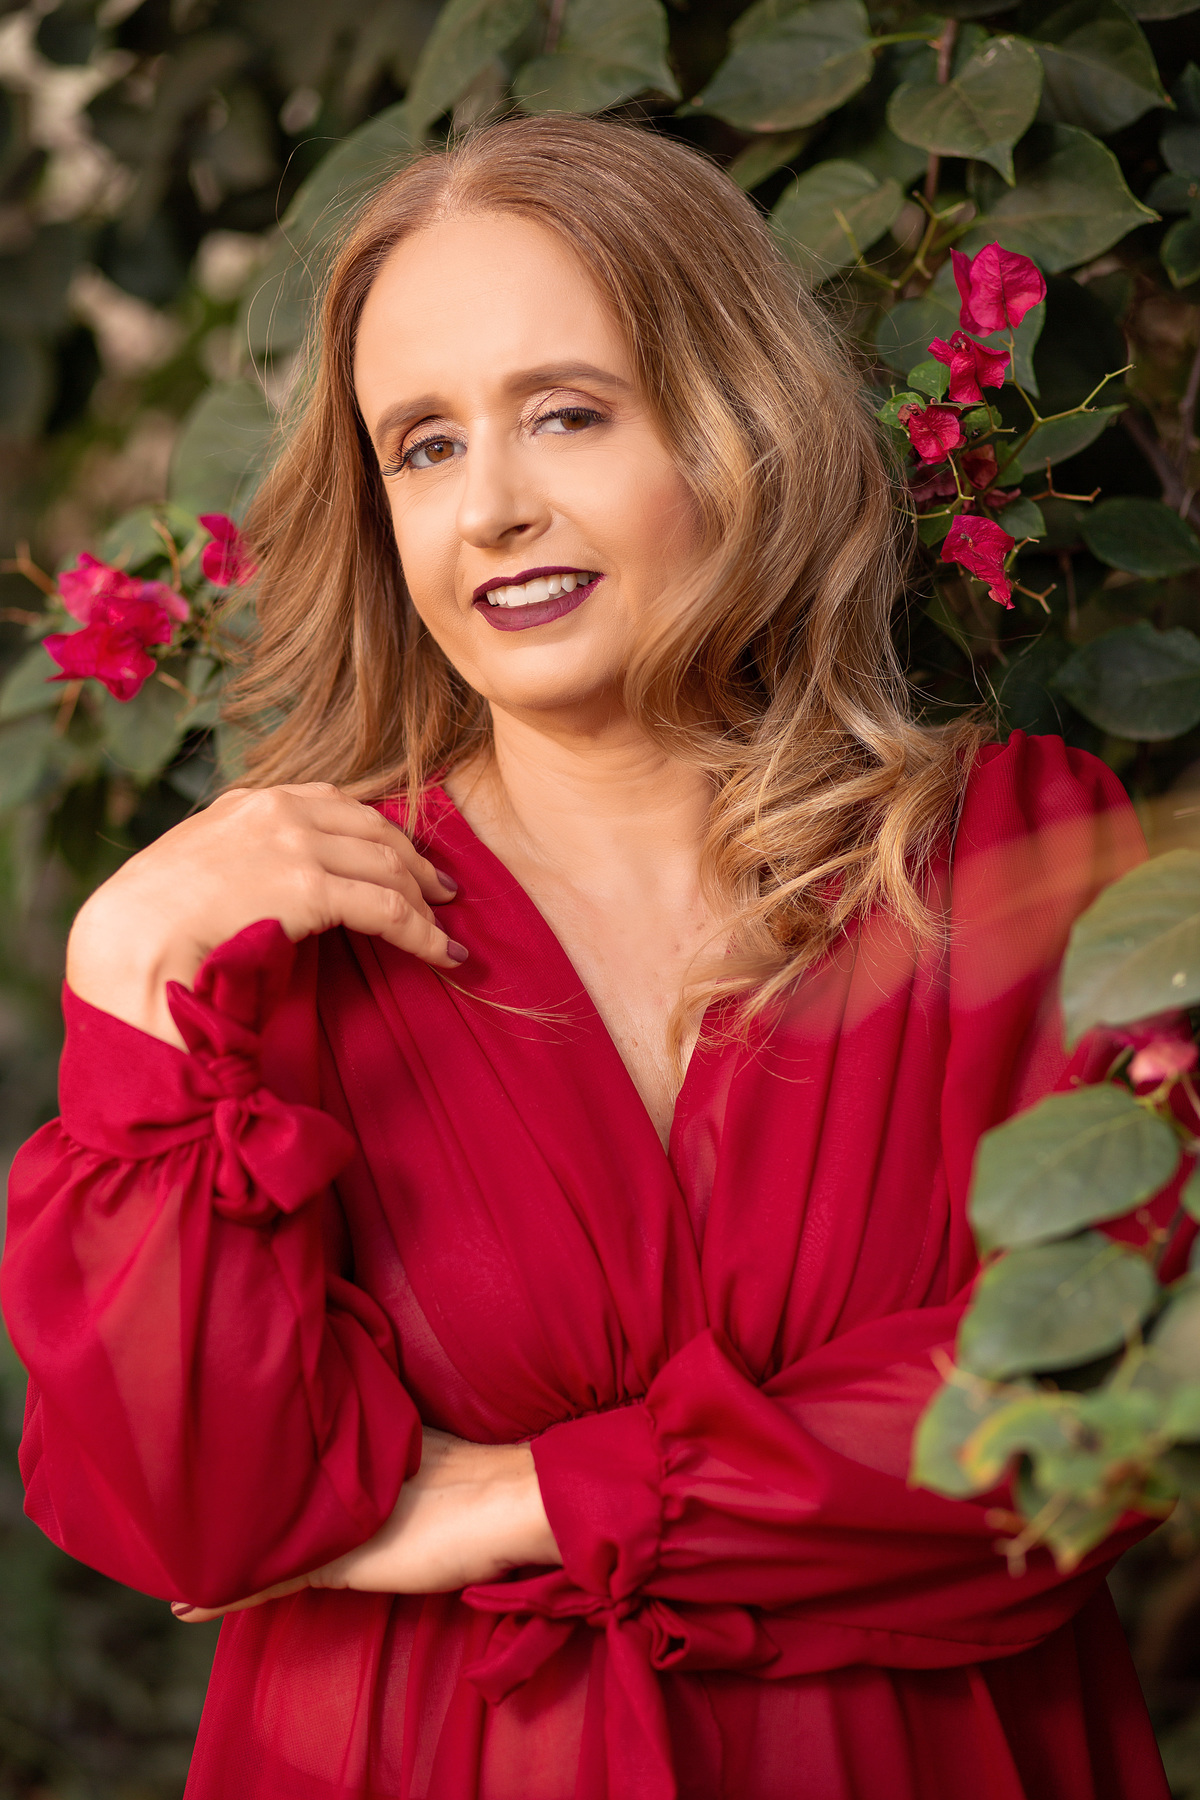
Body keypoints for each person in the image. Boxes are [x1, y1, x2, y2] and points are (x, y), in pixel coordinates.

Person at [0, 115, 1173, 1800]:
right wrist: (125, 978)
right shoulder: (280, 947)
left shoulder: (1019, 861)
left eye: (567, 412)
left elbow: (1092, 1410)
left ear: (738, 422)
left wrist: (526, 1497)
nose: (492, 508)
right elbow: (194, 1517)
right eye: (422, 446)